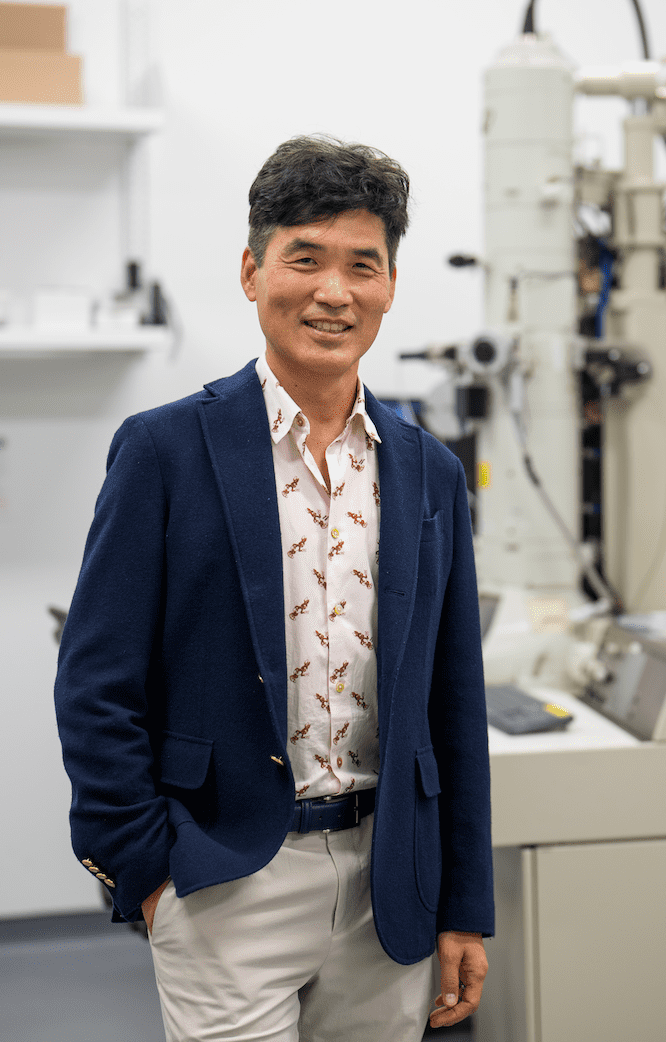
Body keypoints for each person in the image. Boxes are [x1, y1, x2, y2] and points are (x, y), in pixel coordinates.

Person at [54, 134, 493, 1042]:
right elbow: (94, 685)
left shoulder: (429, 473)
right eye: (305, 259)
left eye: (362, 266)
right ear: (252, 272)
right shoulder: (165, 450)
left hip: (390, 883)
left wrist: (463, 902)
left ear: (390, 287)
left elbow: (455, 704)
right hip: (225, 877)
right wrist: (148, 875)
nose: (334, 291)